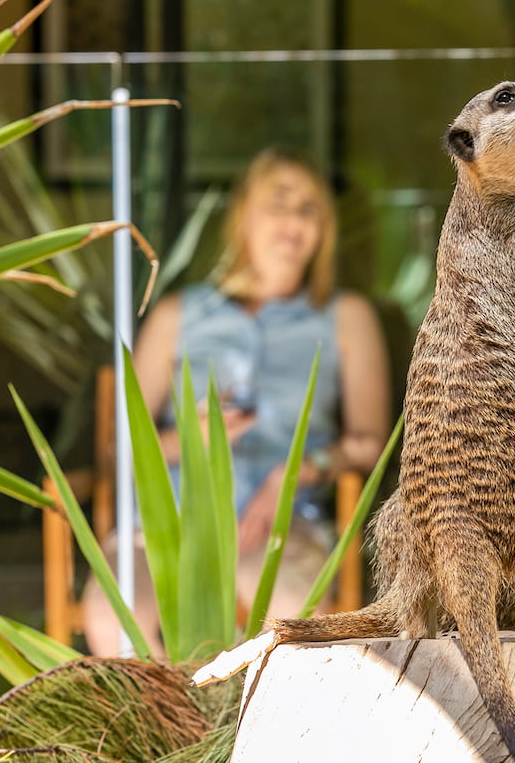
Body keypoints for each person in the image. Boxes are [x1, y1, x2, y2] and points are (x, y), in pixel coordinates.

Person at [82, 148, 392, 658]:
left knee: (293, 609)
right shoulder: (178, 314)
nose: (295, 219)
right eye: (280, 202)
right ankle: (179, 734)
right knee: (114, 616)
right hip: (163, 525)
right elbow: (121, 448)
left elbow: (367, 445)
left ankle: (270, 736)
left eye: (310, 208)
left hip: (283, 524)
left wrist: (294, 474)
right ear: (243, 216)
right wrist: (190, 441)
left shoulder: (345, 316)